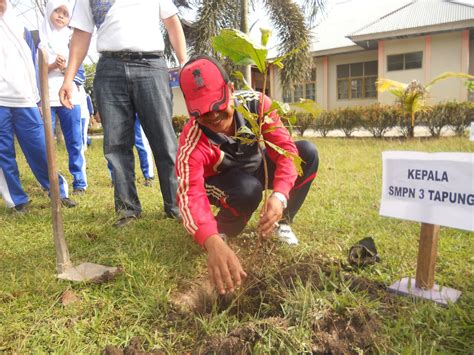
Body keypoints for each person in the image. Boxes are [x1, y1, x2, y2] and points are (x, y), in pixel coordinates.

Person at [177, 56, 319, 295]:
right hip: (222, 181)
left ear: (230, 90)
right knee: (248, 190)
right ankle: (223, 232)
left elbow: (286, 152)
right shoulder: (192, 139)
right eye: (202, 111)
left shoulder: (257, 105)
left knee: (306, 154)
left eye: (217, 104)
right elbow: (189, 194)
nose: (212, 115)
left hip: (253, 164)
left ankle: (280, 222)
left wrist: (280, 196)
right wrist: (211, 240)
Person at [59, 0, 187, 227]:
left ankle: (177, 206)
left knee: (165, 141)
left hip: (151, 65)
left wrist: (184, 62)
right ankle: (127, 210)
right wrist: (68, 78)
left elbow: (171, 21)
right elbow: (81, 33)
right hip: (109, 68)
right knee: (116, 145)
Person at [0, 0, 76, 212]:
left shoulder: (21, 29)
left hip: (24, 98)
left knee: (41, 148)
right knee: (3, 152)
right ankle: (17, 201)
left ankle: (58, 192)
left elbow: (34, 64)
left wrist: (38, 99)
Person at [39, 0, 87, 195]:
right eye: (56, 11)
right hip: (46, 97)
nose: (60, 16)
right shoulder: (38, 38)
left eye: (65, 13)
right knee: (45, 143)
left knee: (74, 140)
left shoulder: (73, 40)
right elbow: (32, 71)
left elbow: (81, 73)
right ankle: (52, 183)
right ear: (49, 12)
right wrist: (50, 66)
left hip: (70, 99)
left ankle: (79, 182)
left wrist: (65, 69)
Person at [107, 114, 155, 186]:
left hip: (136, 110)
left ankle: (149, 176)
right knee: (115, 142)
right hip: (118, 109)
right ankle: (116, 176)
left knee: (141, 142)